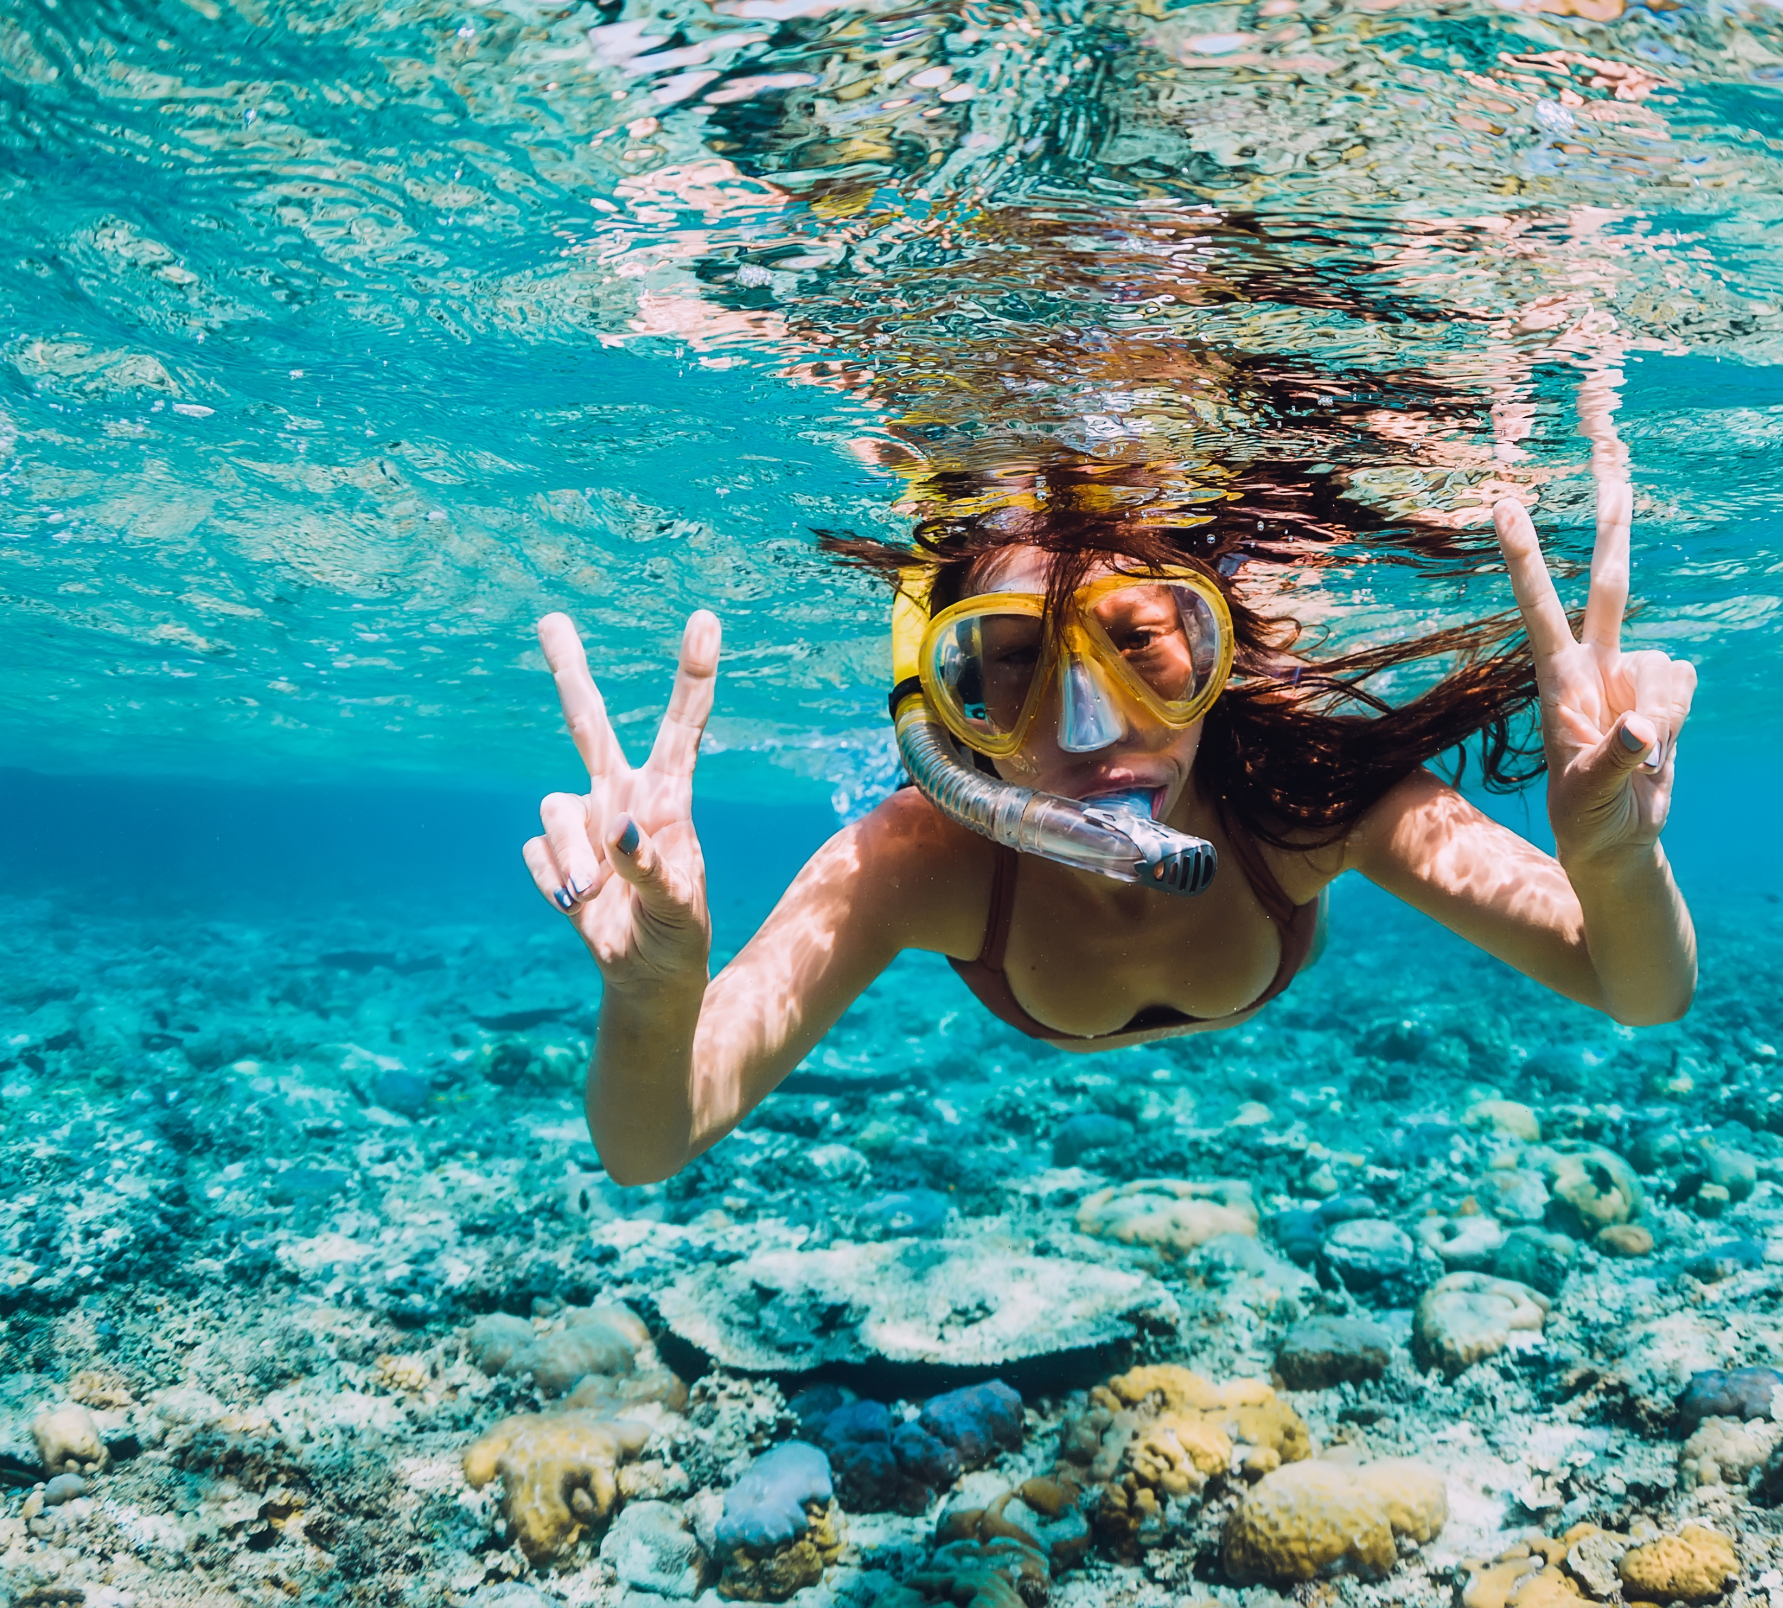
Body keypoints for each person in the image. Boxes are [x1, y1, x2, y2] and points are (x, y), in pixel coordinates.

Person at [522, 481, 1697, 1188]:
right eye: (1018, 666)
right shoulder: (914, 862)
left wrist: (1615, 864)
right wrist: (656, 994)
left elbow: (1636, 988)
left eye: (1141, 644)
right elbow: (647, 1144)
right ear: (950, 714)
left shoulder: (1299, 807)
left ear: (1215, 660)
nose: (1090, 733)